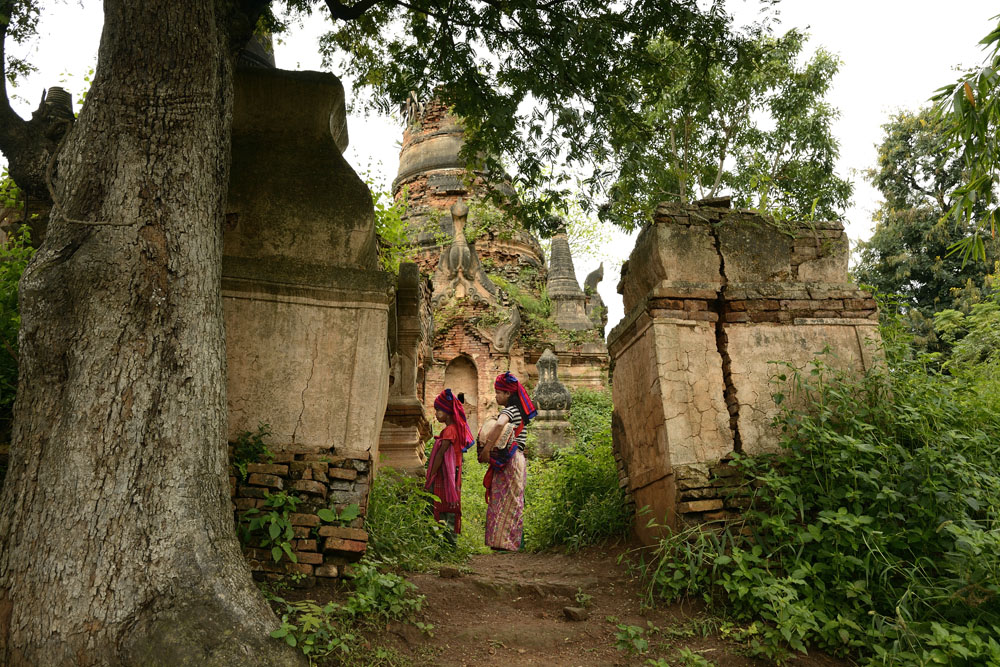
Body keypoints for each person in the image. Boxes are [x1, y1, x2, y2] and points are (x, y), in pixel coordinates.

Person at [481, 371, 537, 551]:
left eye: (499, 392)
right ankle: (511, 542)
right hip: (518, 458)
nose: (496, 396)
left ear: (508, 393)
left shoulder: (509, 411)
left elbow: (499, 425)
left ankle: (504, 543)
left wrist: (487, 449)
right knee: (512, 499)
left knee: (503, 500)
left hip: (509, 460)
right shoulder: (520, 411)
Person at [425, 389, 474, 538]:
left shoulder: (449, 431)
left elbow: (441, 454)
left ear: (447, 411)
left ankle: (446, 538)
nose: (436, 414)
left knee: (443, 501)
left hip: (447, 473)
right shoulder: (454, 429)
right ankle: (449, 537)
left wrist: (431, 473)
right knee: (450, 502)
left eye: (438, 410)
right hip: (454, 471)